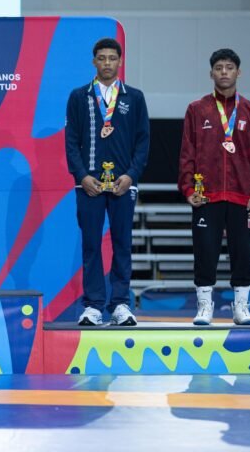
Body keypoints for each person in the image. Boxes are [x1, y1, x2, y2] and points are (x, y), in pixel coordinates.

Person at [178, 48, 250, 326]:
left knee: (243, 252)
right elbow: (187, 152)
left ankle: (241, 307)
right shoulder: (197, 109)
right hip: (206, 196)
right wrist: (188, 189)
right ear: (211, 73)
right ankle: (205, 306)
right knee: (205, 250)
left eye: (229, 67)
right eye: (219, 68)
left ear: (238, 72)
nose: (224, 72)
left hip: (242, 196)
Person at [65, 38, 150, 326]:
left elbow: (143, 141)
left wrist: (131, 175)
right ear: (94, 62)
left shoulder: (134, 97)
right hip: (88, 184)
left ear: (120, 61)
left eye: (112, 58)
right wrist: (82, 176)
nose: (107, 63)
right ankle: (93, 306)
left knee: (122, 244)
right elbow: (71, 141)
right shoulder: (79, 97)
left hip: (123, 183)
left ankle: (121, 304)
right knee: (91, 244)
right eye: (101, 58)